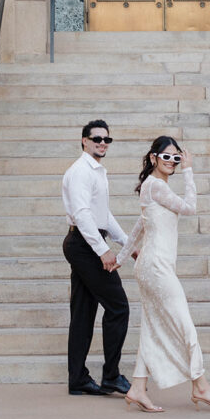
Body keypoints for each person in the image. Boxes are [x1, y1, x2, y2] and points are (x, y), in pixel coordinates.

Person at [113, 135, 210, 413]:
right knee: (184, 324)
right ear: (153, 158)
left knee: (152, 328)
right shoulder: (155, 187)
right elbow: (190, 207)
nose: (172, 162)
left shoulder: (152, 187)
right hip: (156, 268)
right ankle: (200, 385)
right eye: (167, 157)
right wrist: (189, 171)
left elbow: (139, 228)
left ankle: (138, 388)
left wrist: (120, 258)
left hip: (153, 266)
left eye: (177, 158)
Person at [61, 119, 132, 397]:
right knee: (118, 307)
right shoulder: (81, 171)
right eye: (97, 138)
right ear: (84, 140)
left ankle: (78, 378)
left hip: (84, 242)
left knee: (83, 314)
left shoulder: (96, 171)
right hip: (84, 244)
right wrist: (102, 250)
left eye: (106, 140)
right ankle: (112, 376)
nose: (102, 143)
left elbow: (103, 213)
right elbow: (82, 214)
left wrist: (126, 243)